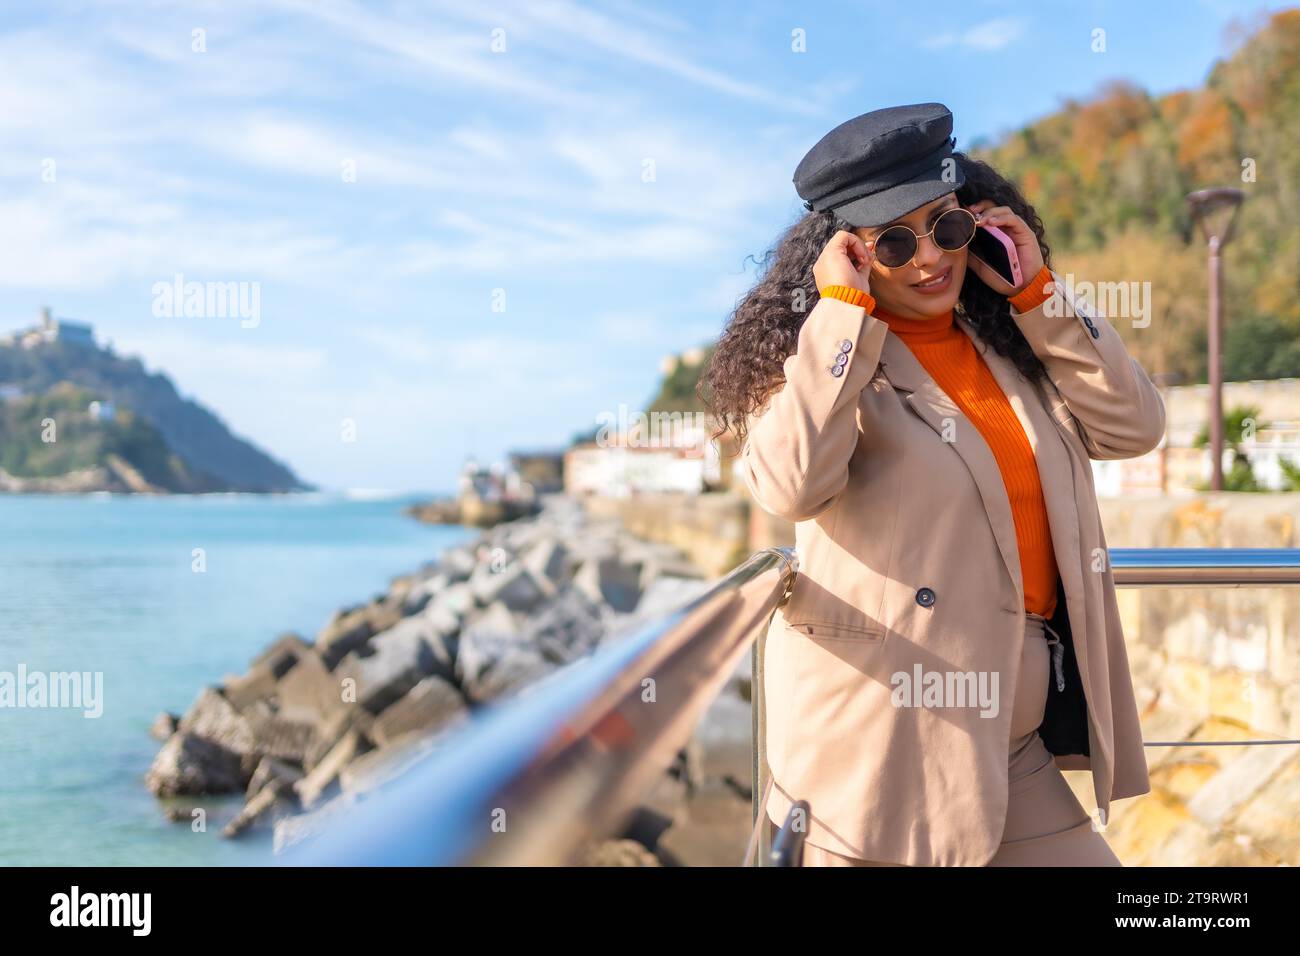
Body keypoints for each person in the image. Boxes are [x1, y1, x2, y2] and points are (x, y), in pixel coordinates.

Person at [702, 103, 1165, 866]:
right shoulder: (821, 362)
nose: (929, 259)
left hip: (1011, 738)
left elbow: (1133, 428)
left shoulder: (1010, 346)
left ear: (975, 222)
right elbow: (787, 486)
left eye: (945, 227)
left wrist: (1038, 295)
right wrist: (841, 313)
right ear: (846, 254)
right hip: (884, 742)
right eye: (893, 241)